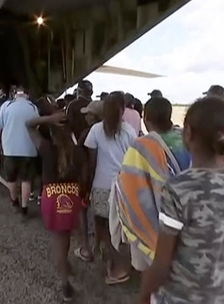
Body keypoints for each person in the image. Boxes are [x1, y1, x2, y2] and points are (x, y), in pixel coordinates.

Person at [138, 96, 224, 304]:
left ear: (188, 134)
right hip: (218, 294)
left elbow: (162, 262)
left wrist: (143, 296)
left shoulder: (178, 188)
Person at [110, 97, 191, 275]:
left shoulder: (141, 147)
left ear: (146, 119)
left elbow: (128, 185)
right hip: (186, 214)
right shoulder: (187, 139)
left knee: (153, 268)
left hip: (156, 219)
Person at [26, 111, 84, 302]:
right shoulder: (77, 150)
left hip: (52, 196)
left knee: (58, 240)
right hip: (72, 195)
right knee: (66, 236)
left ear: (51, 133)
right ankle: (65, 263)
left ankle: (65, 283)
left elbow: (29, 124)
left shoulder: (46, 148)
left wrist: (49, 119)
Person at [84, 91, 137, 284]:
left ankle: (111, 264)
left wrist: (87, 187)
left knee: (103, 227)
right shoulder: (130, 132)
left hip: (100, 185)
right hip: (122, 187)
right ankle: (120, 264)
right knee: (120, 228)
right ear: (123, 109)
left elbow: (91, 163)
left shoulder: (96, 130)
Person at [0, 87, 40, 216]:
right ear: (26, 95)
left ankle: (14, 201)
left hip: (9, 150)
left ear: (14, 95)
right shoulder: (33, 108)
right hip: (29, 150)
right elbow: (37, 126)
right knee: (26, 180)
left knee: (11, 178)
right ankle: (25, 207)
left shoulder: (6, 106)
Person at [73, 99, 104, 263]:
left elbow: (82, 160)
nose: (85, 117)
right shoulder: (111, 130)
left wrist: (84, 186)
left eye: (88, 114)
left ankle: (85, 247)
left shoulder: (88, 133)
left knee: (82, 212)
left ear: (95, 116)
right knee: (100, 218)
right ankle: (98, 246)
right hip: (106, 179)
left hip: (89, 179)